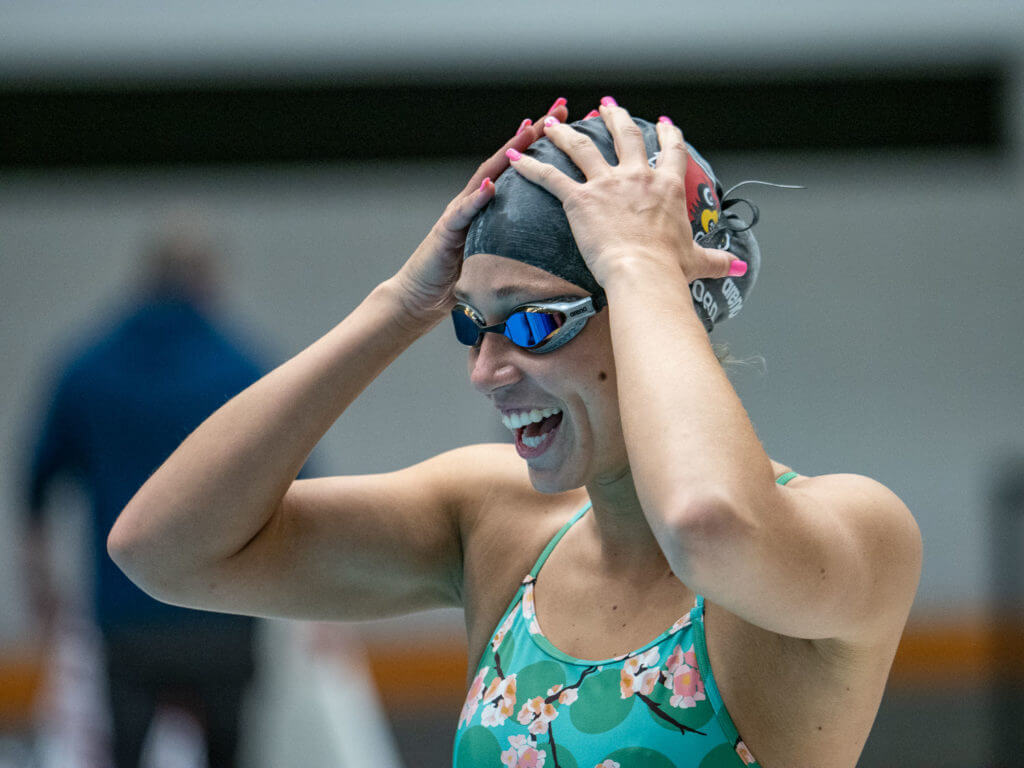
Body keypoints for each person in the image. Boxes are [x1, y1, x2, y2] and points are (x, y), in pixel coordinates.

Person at [107, 98, 923, 768]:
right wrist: (399, 306)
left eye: (535, 323)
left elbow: (707, 529)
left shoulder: (852, 531)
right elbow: (163, 549)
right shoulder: (496, 523)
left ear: (662, 304)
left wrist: (638, 263)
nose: (487, 370)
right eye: (474, 326)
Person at [24, 218, 266, 768]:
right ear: (208, 282)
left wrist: (42, 586)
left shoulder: (86, 367)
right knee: (228, 751)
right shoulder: (243, 366)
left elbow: (35, 487)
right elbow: (298, 484)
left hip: (127, 610)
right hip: (224, 609)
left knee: (126, 749)